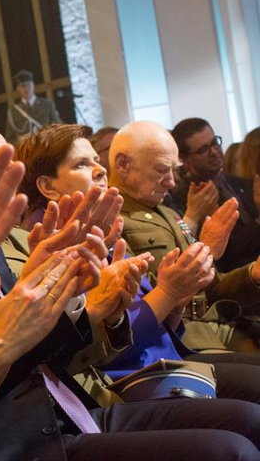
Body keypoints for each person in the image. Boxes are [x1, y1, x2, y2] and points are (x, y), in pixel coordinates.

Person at [0, 48, 260, 459]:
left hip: (69, 405)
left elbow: (53, 344)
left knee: (242, 430)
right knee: (232, 444)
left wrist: (84, 303)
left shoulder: (9, 233)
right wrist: (90, 305)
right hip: (11, 438)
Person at [17, 123, 260, 405]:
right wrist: (169, 294)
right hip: (131, 376)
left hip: (167, 351)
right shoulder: (46, 243)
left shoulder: (124, 219)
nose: (100, 169)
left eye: (96, 159)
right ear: (47, 186)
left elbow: (156, 304)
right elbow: (91, 344)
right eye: (83, 164)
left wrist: (177, 297)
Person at [110, 121, 260, 352]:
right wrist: (203, 251)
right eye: (161, 170)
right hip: (181, 340)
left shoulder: (168, 213)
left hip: (216, 326)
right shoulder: (114, 220)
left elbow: (210, 291)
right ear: (123, 164)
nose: (171, 181)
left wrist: (252, 274)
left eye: (174, 170)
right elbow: (146, 303)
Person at [170, 118, 260, 272]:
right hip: (233, 280)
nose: (214, 151)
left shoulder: (243, 183)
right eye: (203, 150)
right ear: (183, 159)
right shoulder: (184, 199)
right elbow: (228, 250)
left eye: (214, 142)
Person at [4, 69, 61, 143]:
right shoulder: (13, 111)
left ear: (33, 85)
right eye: (22, 86)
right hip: (27, 150)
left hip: (47, 145)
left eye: (28, 85)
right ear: (17, 89)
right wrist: (19, 140)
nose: (26, 89)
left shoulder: (47, 105)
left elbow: (59, 126)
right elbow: (9, 138)